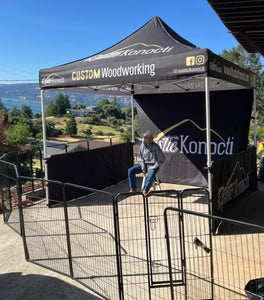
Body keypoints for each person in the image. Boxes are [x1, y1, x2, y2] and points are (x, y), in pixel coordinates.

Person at [128, 130, 165, 196]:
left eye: (149, 138)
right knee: (131, 170)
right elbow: (140, 158)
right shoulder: (142, 146)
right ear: (144, 138)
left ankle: (145, 190)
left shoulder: (155, 146)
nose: (147, 139)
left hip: (153, 164)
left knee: (150, 174)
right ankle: (133, 189)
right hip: (144, 164)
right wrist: (143, 167)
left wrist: (154, 166)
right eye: (146, 137)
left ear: (152, 139)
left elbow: (162, 158)